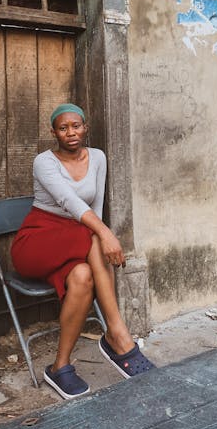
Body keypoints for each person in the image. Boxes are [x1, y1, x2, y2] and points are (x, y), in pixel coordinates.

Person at [11, 103, 155, 400]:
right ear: (54, 133)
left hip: (77, 238)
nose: (70, 132)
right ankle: (118, 335)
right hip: (37, 241)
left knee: (83, 275)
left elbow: (95, 206)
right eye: (63, 128)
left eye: (75, 126)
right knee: (91, 234)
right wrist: (103, 233)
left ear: (85, 127)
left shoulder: (98, 158)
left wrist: (99, 232)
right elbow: (70, 203)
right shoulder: (44, 162)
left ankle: (60, 367)